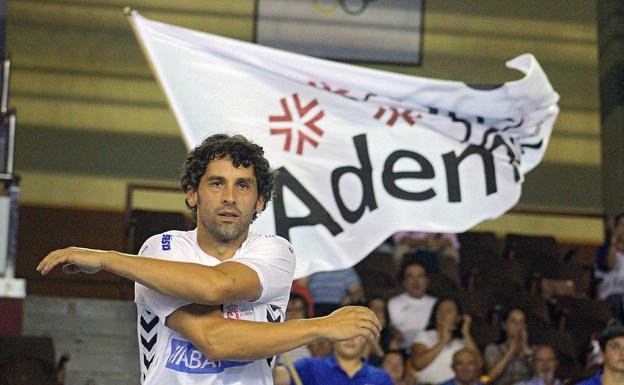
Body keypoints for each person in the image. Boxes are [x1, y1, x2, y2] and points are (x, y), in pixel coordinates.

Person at [37, 134, 381, 385]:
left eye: (243, 186)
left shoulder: (275, 252)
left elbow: (222, 285)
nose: (230, 197)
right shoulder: (160, 250)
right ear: (192, 194)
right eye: (216, 183)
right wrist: (321, 325)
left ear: (260, 202)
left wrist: (110, 260)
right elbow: (216, 337)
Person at [410, 297, 479, 384]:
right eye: (440, 310)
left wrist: (466, 333)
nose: (443, 314)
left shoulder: (462, 342)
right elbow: (418, 364)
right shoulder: (425, 336)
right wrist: (442, 342)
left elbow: (479, 365)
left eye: (449, 311)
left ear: (457, 318)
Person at [273, 335, 393, 385]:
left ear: (365, 340)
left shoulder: (381, 377)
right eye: (344, 333)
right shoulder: (311, 366)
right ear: (332, 337)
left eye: (356, 334)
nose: (350, 339)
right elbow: (275, 377)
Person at [388, 261, 437, 352]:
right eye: (410, 276)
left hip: (431, 348)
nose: (416, 281)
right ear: (404, 281)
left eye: (420, 276)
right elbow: (395, 330)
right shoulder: (394, 303)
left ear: (427, 280)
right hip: (404, 349)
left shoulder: (436, 303)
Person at [484, 308, 532, 385]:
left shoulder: (534, 350)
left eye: (521, 322)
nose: (518, 325)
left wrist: (526, 348)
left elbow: (541, 375)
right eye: (513, 322)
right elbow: (489, 378)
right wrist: (510, 351)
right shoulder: (493, 348)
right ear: (504, 325)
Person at [595, 213, 624, 321]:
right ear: (615, 228)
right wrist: (613, 243)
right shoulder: (605, 249)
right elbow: (610, 265)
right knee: (617, 301)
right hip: (611, 293)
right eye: (621, 225)